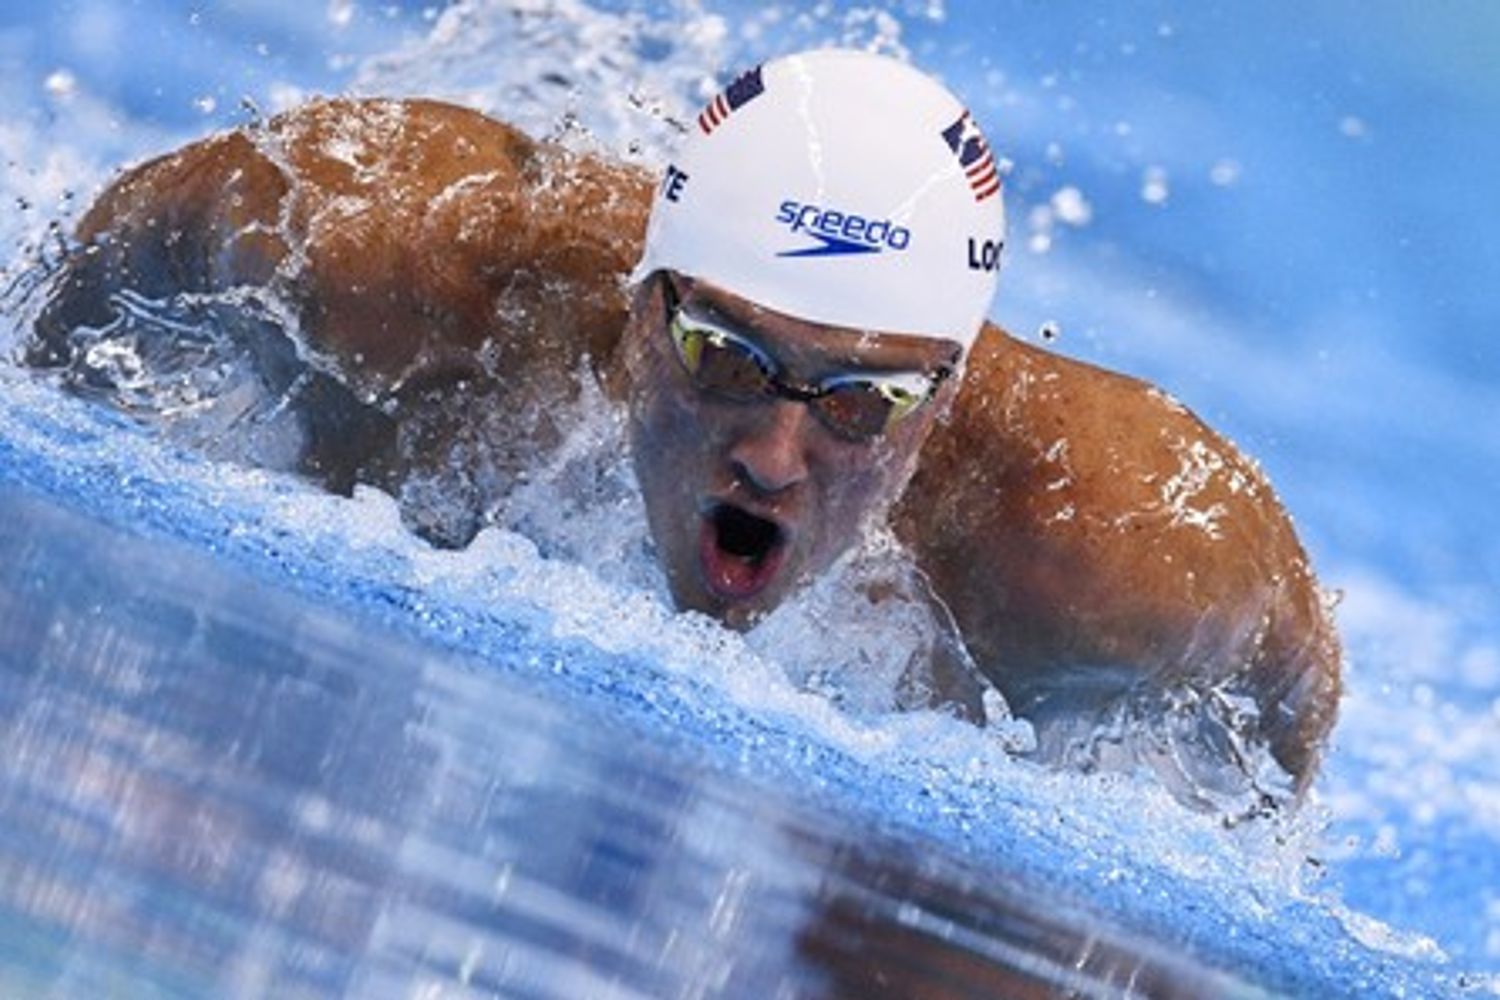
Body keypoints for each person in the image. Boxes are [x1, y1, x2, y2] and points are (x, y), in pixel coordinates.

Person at [23, 50, 1340, 809]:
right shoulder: (395, 265)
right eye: (723, 356)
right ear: (642, 314)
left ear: (936, 406)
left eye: (858, 403)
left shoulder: (1106, 544)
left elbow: (1291, 705)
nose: (772, 456)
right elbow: (110, 262)